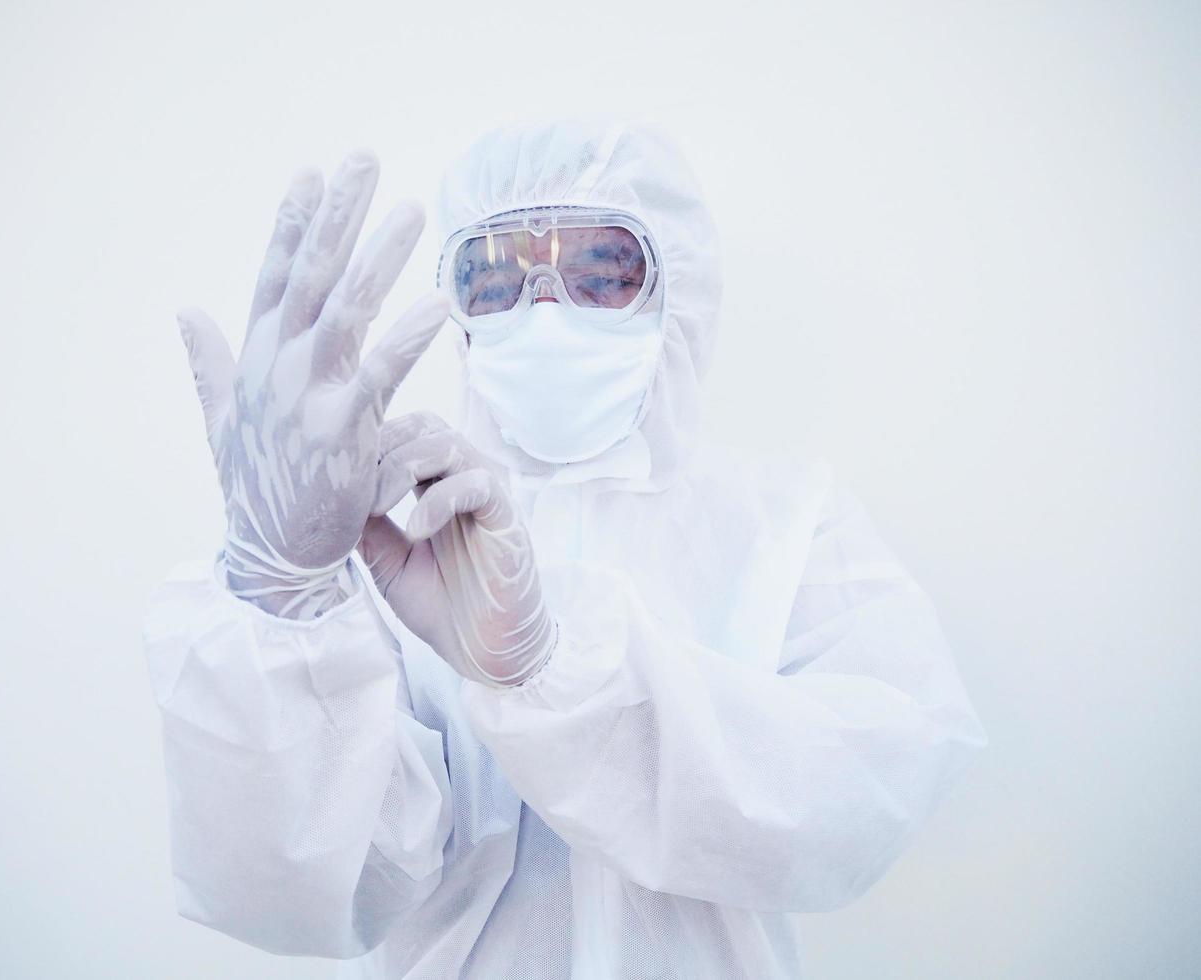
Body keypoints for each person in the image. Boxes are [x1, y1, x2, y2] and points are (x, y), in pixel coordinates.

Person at [145, 120, 988, 978]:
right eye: (495, 279)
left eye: (600, 273)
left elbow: (861, 800)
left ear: (678, 290)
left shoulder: (785, 527)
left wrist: (548, 666)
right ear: (459, 311)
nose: (543, 312)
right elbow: (304, 895)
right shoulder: (388, 536)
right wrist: (281, 596)